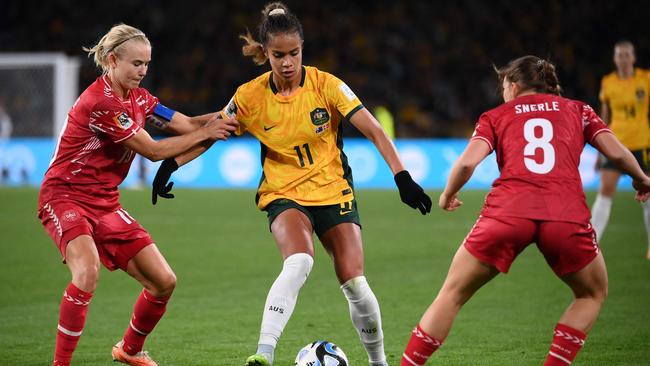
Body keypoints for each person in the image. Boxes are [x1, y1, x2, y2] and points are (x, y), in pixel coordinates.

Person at [151, 3, 431, 365]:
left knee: (355, 284)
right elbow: (212, 132)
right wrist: (171, 163)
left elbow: (375, 131)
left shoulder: (326, 85)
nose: (287, 62)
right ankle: (264, 353)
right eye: (278, 55)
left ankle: (379, 363)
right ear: (265, 53)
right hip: (283, 194)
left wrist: (402, 177)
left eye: (294, 53)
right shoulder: (250, 95)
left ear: (302, 49)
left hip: (332, 191)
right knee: (298, 262)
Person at [399, 55, 650, 366]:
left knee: (451, 295)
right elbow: (618, 152)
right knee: (592, 294)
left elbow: (466, 163)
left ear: (514, 86)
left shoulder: (497, 115)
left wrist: (448, 194)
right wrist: (642, 179)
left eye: (504, 85)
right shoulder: (579, 110)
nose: (503, 92)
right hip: (565, 214)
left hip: (508, 213)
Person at [37, 24, 238, 366]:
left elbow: (187, 125)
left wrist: (232, 113)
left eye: (146, 63)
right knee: (86, 272)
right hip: (64, 196)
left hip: (105, 203)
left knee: (163, 281)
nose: (143, 70)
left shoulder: (142, 99)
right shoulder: (101, 102)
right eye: (136, 64)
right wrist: (211, 131)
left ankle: (129, 350)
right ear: (113, 60)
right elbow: (154, 152)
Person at [591, 40, 650, 259]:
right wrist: (599, 149)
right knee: (605, 192)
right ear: (615, 59)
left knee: (648, 193)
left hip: (642, 143)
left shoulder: (646, 79)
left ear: (633, 58)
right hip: (615, 144)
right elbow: (604, 117)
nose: (623, 59)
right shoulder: (608, 83)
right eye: (619, 55)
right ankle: (592, 244)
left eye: (626, 55)